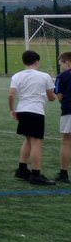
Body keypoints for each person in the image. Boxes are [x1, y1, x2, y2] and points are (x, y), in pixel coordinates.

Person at [10, 49, 57, 184]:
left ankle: (22, 169)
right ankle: (36, 174)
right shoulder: (44, 76)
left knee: (28, 140)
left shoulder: (17, 76)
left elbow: (11, 95)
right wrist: (54, 96)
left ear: (24, 62)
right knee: (37, 142)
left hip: (22, 110)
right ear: (37, 62)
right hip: (36, 111)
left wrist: (12, 110)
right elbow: (51, 97)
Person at [55, 51, 71, 183]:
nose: (60, 66)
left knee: (66, 141)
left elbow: (59, 96)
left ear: (68, 63)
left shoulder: (61, 77)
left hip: (68, 111)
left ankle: (63, 173)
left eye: (61, 63)